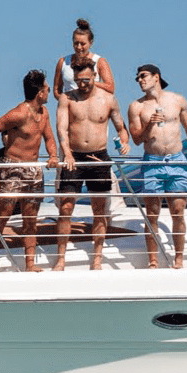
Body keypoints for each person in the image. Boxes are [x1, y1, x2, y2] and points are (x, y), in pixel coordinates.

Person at [127, 63, 187, 269]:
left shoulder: (177, 100)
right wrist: (149, 124)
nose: (140, 80)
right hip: (152, 161)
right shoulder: (136, 106)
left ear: (156, 77)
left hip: (176, 160)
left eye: (143, 76)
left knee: (178, 210)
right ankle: (153, 261)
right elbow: (137, 140)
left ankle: (179, 258)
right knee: (152, 213)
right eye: (138, 78)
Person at [0, 69, 58, 272]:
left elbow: (48, 138)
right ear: (40, 92)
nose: (49, 91)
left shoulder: (44, 113)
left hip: (34, 170)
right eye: (47, 88)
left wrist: (53, 155)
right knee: (3, 216)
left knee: (30, 219)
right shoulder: (19, 113)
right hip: (13, 168)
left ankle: (30, 263)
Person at [55, 56, 130, 271]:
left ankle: (97, 258)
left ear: (94, 76)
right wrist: (67, 153)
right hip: (74, 157)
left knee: (99, 209)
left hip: (98, 157)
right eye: (79, 81)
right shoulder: (67, 99)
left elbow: (120, 126)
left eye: (86, 80)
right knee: (66, 207)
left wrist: (124, 141)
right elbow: (61, 129)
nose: (82, 84)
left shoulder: (108, 99)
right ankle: (61, 258)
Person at [52, 17, 115, 98]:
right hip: (70, 107)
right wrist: (66, 101)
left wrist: (88, 81)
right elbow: (57, 89)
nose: (79, 47)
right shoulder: (63, 62)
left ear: (90, 43)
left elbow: (110, 88)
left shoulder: (100, 61)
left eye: (82, 44)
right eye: (76, 43)